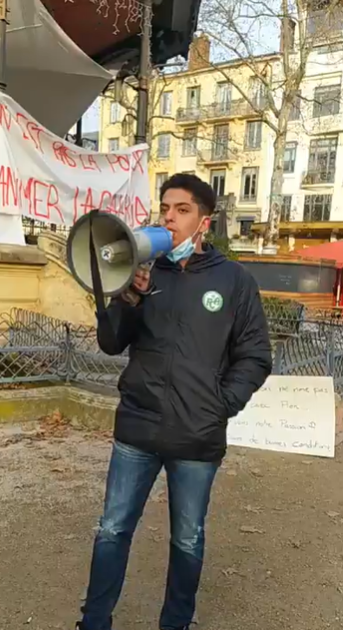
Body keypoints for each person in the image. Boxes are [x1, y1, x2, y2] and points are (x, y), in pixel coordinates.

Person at [77, 173, 272, 630]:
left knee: (187, 539)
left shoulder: (234, 281)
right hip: (138, 428)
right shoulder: (142, 270)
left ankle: (176, 622)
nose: (169, 217)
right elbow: (109, 343)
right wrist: (128, 298)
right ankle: (94, 621)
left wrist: (220, 404)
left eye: (182, 209)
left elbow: (256, 355)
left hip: (197, 435)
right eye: (165, 207)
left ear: (204, 220)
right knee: (112, 530)